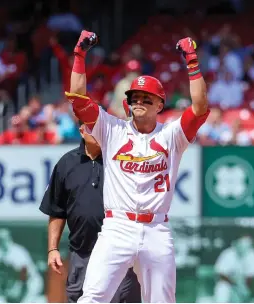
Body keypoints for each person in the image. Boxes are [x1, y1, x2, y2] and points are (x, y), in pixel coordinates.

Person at [64, 30, 209, 303]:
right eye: (134, 98)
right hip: (117, 226)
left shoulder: (172, 135)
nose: (139, 102)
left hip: (156, 229)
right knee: (92, 298)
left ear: (160, 104)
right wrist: (80, 55)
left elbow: (200, 107)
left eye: (146, 98)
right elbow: (78, 98)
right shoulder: (111, 129)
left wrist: (192, 61)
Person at [39, 121, 141, 303]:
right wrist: (52, 248)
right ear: (82, 130)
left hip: (119, 252)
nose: (98, 130)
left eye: (101, 126)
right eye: (92, 126)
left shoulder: (121, 160)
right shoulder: (66, 163)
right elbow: (56, 210)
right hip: (82, 252)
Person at [213, 235, 254, 302]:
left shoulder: (253, 254)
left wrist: (245, 289)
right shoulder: (227, 253)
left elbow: (252, 276)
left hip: (244, 285)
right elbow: (221, 274)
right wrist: (235, 284)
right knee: (222, 289)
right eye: (241, 243)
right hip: (228, 284)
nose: (244, 245)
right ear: (235, 243)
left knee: (244, 295)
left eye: (247, 243)